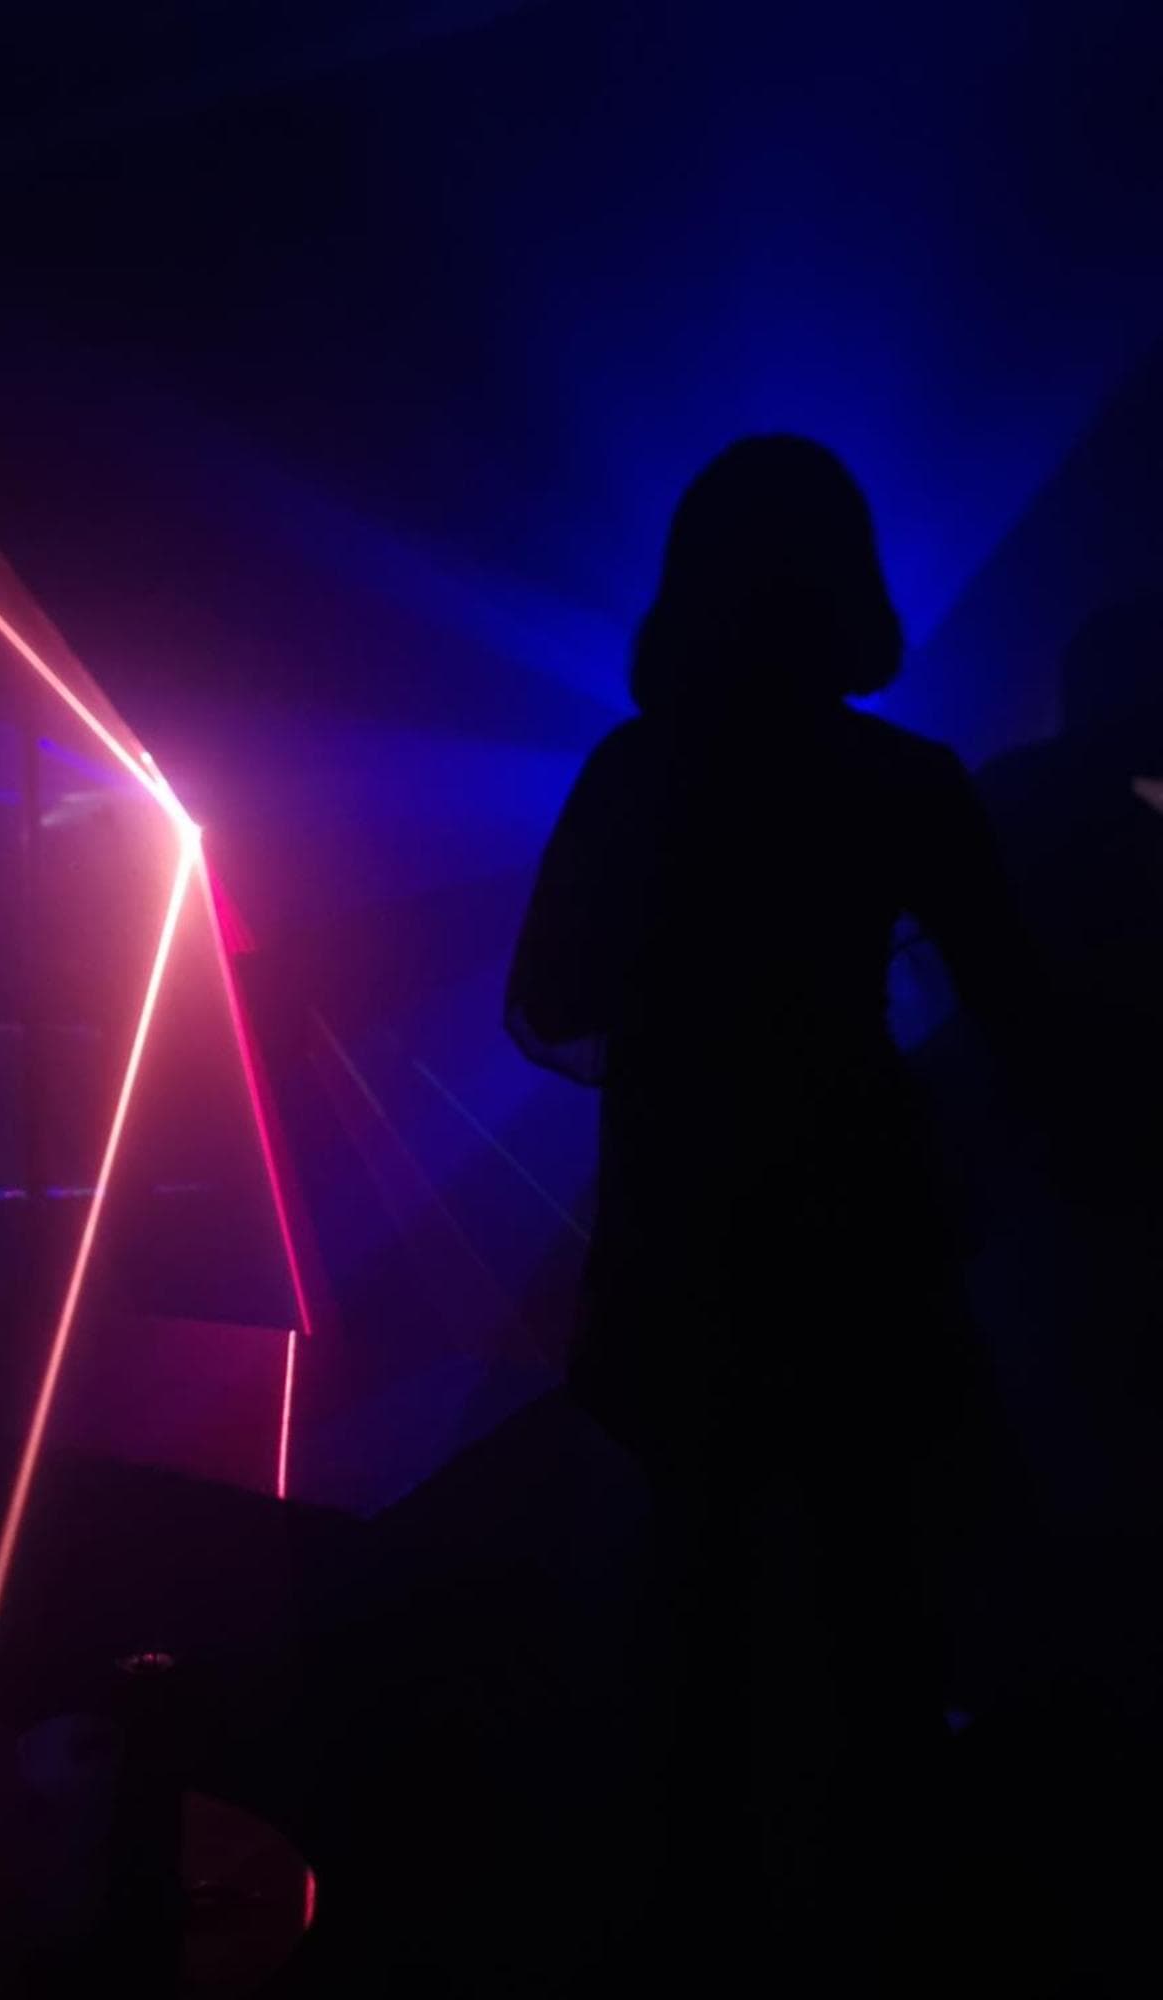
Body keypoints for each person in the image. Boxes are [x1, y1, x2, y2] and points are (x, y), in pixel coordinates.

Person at [507, 436, 1038, 1987]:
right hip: (859, 1231)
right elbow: (1020, 1013)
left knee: (697, 1597)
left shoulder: (634, 771)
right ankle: (894, 1924)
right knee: (879, 1601)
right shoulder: (906, 781)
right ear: (847, 585)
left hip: (683, 1228)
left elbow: (551, 1002)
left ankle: (691, 1930)